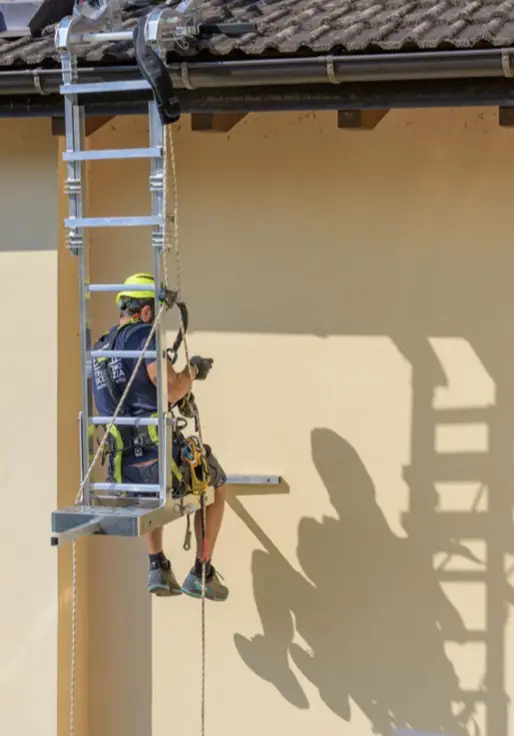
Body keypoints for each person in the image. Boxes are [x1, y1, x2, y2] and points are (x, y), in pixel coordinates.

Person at [91, 272, 229, 602]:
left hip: (123, 470)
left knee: (151, 497)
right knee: (216, 482)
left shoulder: (100, 349)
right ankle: (202, 570)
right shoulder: (143, 336)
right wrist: (192, 371)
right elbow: (171, 389)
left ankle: (157, 565)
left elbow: (131, 395)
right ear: (146, 311)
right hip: (158, 462)